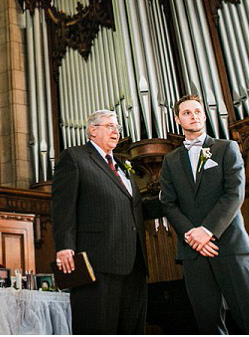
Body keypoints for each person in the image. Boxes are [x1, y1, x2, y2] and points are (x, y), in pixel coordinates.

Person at [159, 94, 249, 334]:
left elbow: (234, 194)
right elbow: (167, 203)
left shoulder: (226, 147)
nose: (193, 116)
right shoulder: (170, 160)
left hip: (228, 245)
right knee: (208, 322)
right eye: (187, 112)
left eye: (197, 111)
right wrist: (192, 235)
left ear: (205, 116)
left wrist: (207, 232)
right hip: (193, 252)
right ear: (178, 119)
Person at [52, 109, 147, 334]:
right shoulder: (74, 158)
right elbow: (63, 205)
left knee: (131, 328)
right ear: (92, 130)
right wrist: (65, 246)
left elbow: (133, 207)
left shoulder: (123, 166)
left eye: (118, 128)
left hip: (134, 263)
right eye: (110, 126)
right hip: (98, 261)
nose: (116, 131)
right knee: (97, 326)